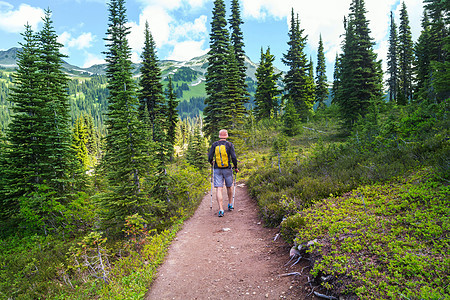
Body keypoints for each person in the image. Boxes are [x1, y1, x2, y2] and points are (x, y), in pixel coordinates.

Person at [208, 129, 238, 217]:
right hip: (228, 169)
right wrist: (236, 167)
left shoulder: (214, 144)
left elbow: (210, 157)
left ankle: (221, 209)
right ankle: (230, 204)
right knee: (229, 186)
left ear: (219, 136)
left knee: (219, 188)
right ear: (227, 136)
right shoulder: (229, 144)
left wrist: (212, 163)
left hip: (217, 169)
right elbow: (233, 157)